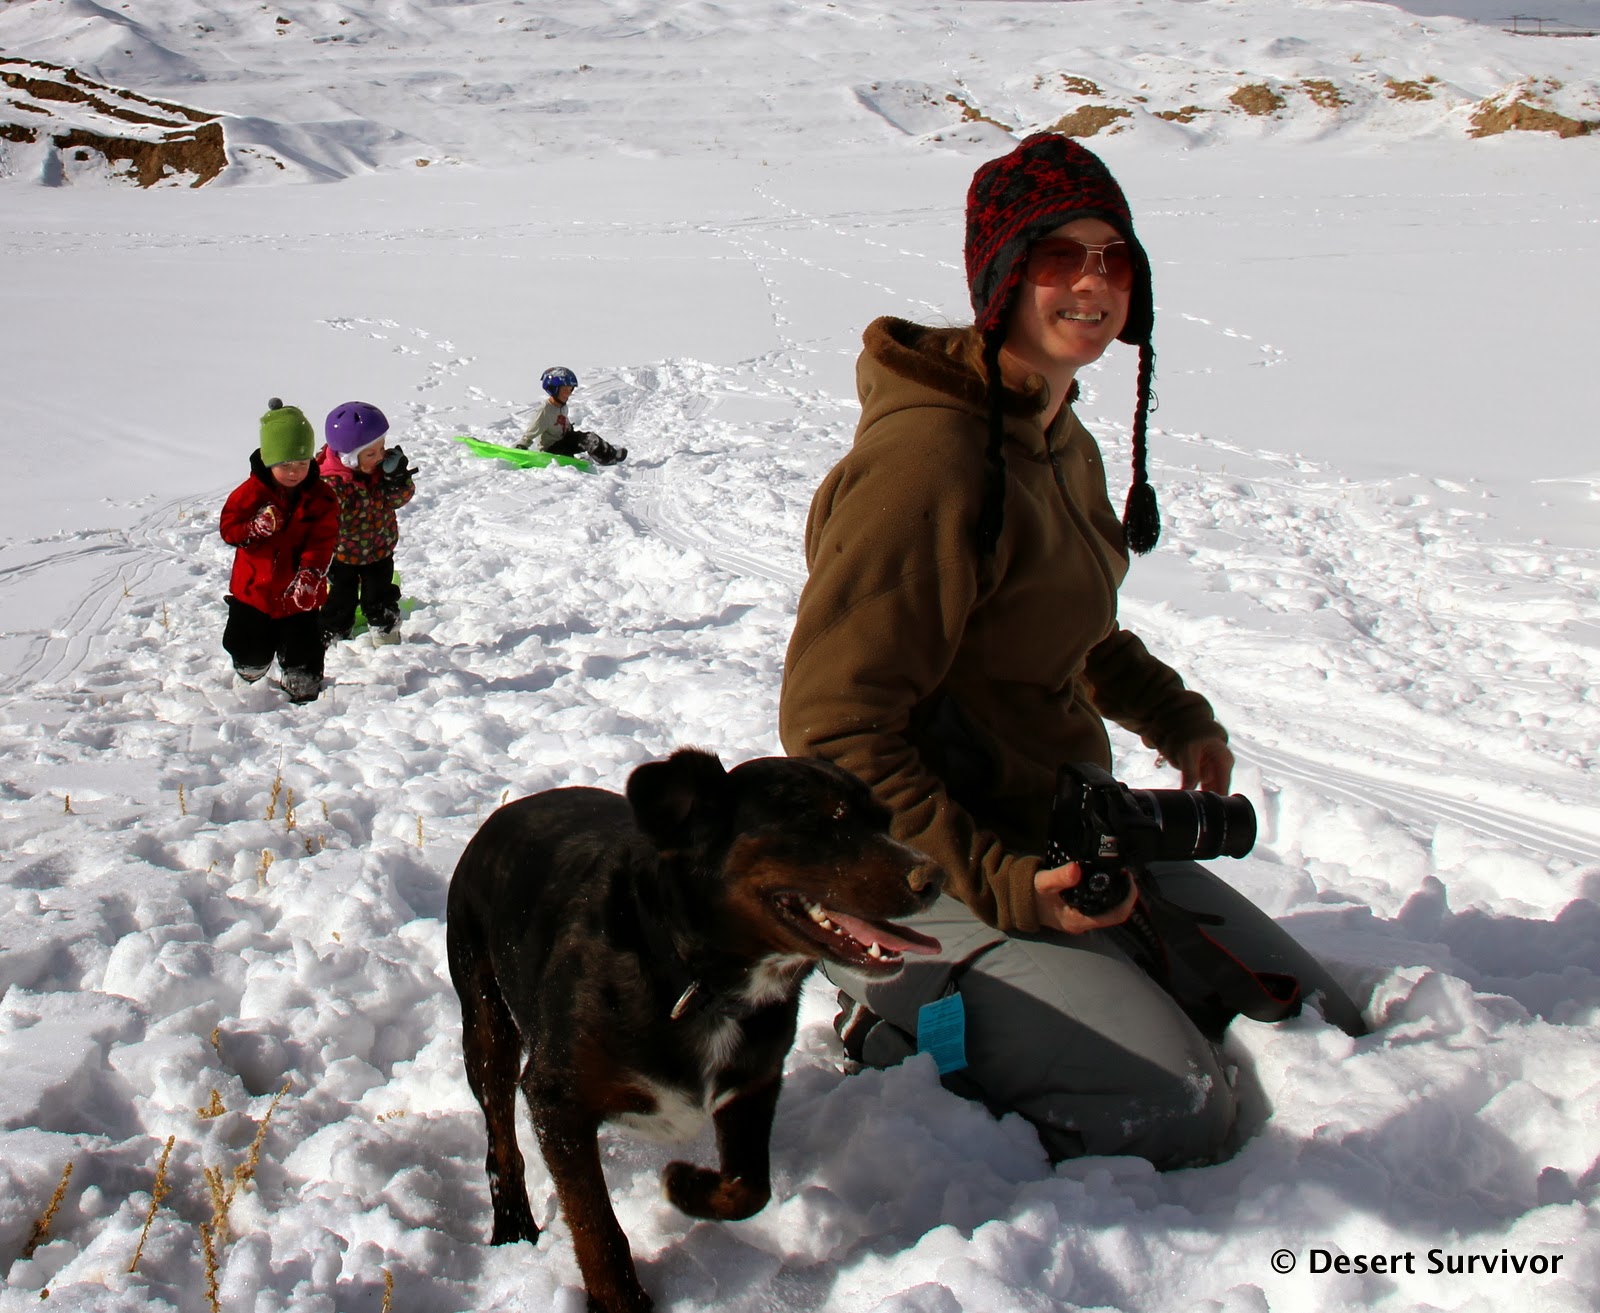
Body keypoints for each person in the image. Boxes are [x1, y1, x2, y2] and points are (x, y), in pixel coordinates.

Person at [779, 133, 1366, 1170]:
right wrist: (1006, 882)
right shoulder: (929, 461)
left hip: (1058, 830)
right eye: (1059, 254)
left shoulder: (1057, 433)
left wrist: (1173, 714)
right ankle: (888, 1014)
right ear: (1003, 275)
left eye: (1114, 256)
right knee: (1175, 1109)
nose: (1093, 282)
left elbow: (1063, 621)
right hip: (926, 864)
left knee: (1309, 1017)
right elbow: (834, 729)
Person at [218, 399, 339, 704]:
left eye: (302, 463)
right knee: (250, 650)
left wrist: (311, 573)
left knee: (304, 647)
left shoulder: (322, 497)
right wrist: (254, 528)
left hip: (300, 595)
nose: (294, 472)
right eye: (285, 465)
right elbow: (229, 529)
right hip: (254, 593)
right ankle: (249, 671)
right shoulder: (250, 493)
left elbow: (323, 539)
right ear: (269, 460)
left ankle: (302, 679)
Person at [315, 402, 416, 647]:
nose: (380, 456)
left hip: (379, 551)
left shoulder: (380, 471)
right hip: (342, 556)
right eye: (371, 453)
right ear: (348, 458)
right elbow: (321, 523)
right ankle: (334, 637)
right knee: (340, 600)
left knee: (381, 597)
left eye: (382, 447)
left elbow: (396, 501)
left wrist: (398, 480)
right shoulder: (331, 484)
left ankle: (386, 633)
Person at [515, 365, 627, 465]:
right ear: (553, 389)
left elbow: (562, 422)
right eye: (564, 390)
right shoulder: (545, 410)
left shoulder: (562, 406)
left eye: (570, 390)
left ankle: (610, 454)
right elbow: (532, 431)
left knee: (590, 438)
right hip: (551, 449)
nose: (568, 394)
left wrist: (571, 432)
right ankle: (605, 459)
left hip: (564, 440)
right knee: (582, 443)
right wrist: (522, 445)